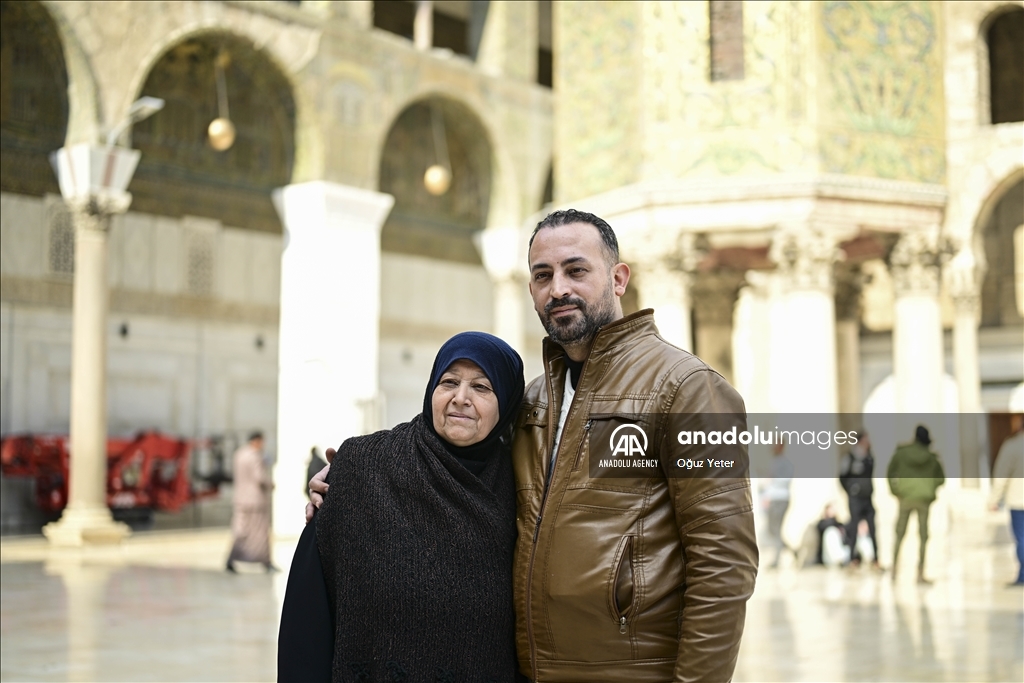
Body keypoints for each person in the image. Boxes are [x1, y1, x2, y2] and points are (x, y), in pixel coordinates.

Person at [309, 209, 758, 682]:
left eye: (576, 270)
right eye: (543, 275)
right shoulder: (533, 401)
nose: (558, 288)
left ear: (619, 278)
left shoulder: (690, 389)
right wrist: (354, 474)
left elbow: (724, 564)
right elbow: (454, 448)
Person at [280, 332, 525, 682]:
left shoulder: (521, 488)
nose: (461, 398)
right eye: (449, 382)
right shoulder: (363, 467)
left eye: (482, 388)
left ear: (508, 401)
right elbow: (306, 618)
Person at [887, 425, 945, 584]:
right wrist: (929, 488)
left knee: (900, 533)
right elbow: (941, 479)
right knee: (923, 536)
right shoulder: (931, 457)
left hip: (905, 497)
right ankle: (920, 572)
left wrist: (896, 491)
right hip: (924, 499)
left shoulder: (902, 453)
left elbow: (890, 472)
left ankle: (894, 568)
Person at [226, 431, 276, 573]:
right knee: (259, 533)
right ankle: (266, 562)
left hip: (240, 499)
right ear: (257, 441)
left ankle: (231, 560)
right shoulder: (255, 456)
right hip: (255, 501)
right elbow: (259, 477)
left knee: (240, 531)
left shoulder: (239, 454)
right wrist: (271, 484)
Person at [988, 414, 1024, 587]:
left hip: (1018, 500)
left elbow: (1001, 474)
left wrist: (994, 499)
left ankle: (1023, 574)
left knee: (1022, 539)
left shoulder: (1012, 446)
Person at [839, 430, 881, 569]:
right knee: (854, 526)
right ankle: (852, 558)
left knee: (872, 528)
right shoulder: (850, 457)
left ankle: (876, 558)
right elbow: (842, 477)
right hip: (855, 499)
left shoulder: (869, 457)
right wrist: (851, 491)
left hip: (867, 497)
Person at [761, 442, 794, 569]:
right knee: (772, 530)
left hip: (780, 499)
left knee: (777, 530)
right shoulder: (773, 462)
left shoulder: (786, 463)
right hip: (772, 499)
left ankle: (777, 560)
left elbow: (781, 481)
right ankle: (791, 550)